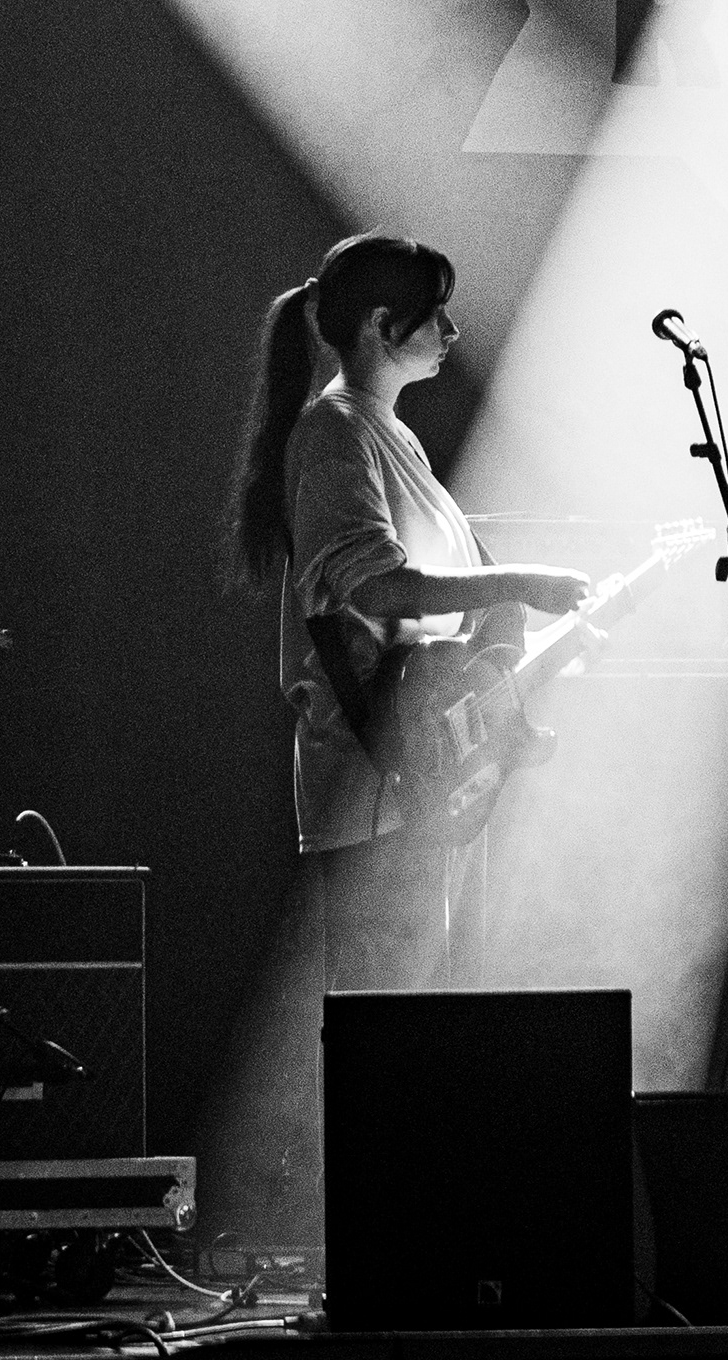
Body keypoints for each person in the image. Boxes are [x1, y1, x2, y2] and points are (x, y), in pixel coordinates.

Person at [225, 233, 589, 991]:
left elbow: (466, 589)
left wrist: (520, 636)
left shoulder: (390, 436)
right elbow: (380, 588)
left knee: (430, 1019)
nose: (452, 332)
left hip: (426, 773)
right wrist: (527, 583)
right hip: (374, 786)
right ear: (380, 325)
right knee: (388, 1022)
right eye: (436, 314)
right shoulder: (335, 435)